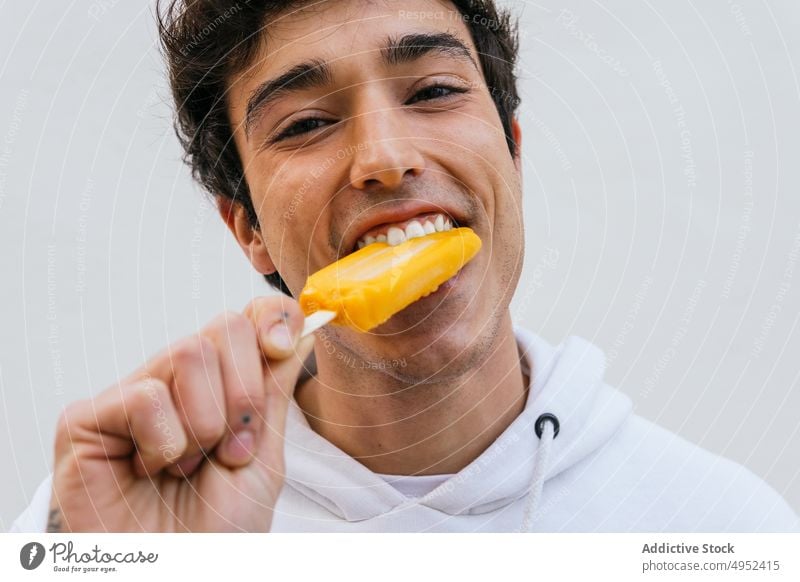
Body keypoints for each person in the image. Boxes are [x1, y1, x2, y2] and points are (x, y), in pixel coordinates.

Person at [11, 0, 798, 533]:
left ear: (513, 155)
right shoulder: (124, 511)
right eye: (307, 123)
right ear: (246, 227)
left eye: (433, 90)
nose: (385, 159)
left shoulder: (718, 526)